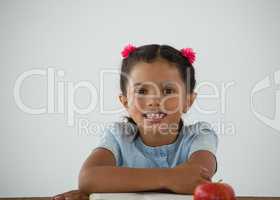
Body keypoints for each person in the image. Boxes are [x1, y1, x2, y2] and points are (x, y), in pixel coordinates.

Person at [51, 44, 218, 200]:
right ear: (125, 102)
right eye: (142, 91)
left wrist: (110, 183)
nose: (154, 100)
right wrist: (171, 178)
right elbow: (88, 179)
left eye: (168, 91)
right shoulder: (118, 136)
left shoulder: (199, 135)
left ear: (188, 101)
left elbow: (196, 180)